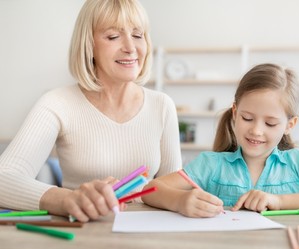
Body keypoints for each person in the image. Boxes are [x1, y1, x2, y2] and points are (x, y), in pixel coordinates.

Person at [0, 0, 182, 222]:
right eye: (113, 36)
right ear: (89, 45)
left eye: (138, 35)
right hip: (82, 233)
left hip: (145, 236)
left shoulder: (162, 105)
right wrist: (68, 199)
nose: (131, 47)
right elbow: (3, 179)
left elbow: (174, 189)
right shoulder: (56, 103)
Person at [142, 63, 299, 218]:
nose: (256, 131)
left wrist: (279, 202)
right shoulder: (211, 164)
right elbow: (151, 189)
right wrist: (180, 201)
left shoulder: (298, 162)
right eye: (247, 118)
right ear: (235, 112)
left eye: (270, 123)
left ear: (290, 125)